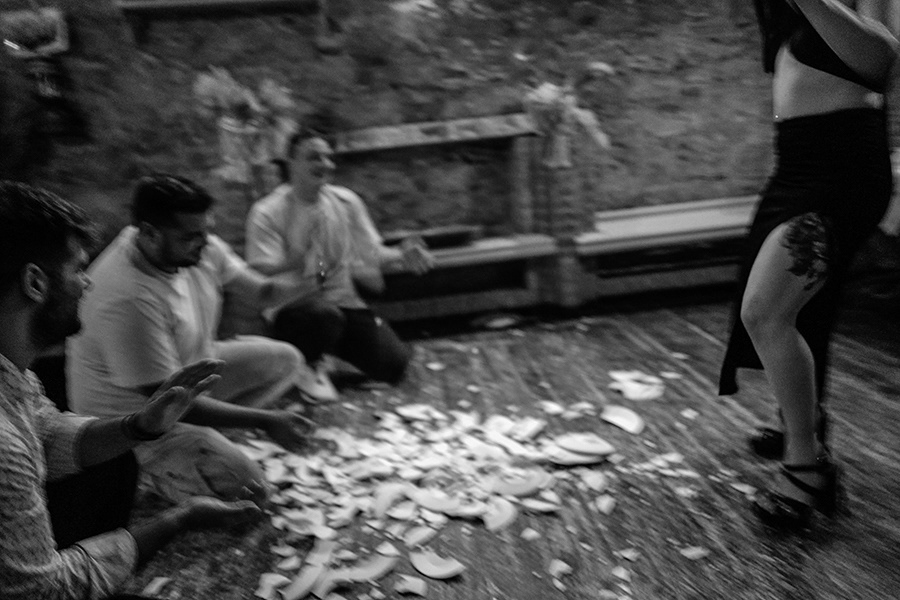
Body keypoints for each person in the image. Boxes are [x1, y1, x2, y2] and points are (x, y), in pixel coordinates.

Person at [0, 181, 260, 600]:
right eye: (77, 270)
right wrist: (178, 520)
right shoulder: (4, 448)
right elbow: (44, 589)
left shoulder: (14, 374)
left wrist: (139, 426)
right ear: (35, 283)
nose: (87, 284)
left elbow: (46, 433)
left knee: (117, 464)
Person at [720, 0, 898, 529]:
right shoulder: (782, 18)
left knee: (767, 311)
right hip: (795, 165)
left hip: (838, 174)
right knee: (790, 310)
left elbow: (882, 61)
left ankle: (808, 465)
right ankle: (801, 417)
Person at [67, 174, 315, 505]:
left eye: (205, 231)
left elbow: (263, 292)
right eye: (191, 236)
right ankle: (144, 471)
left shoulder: (194, 245)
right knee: (250, 490)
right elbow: (169, 399)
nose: (205, 242)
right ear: (150, 233)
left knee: (286, 361)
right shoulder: (127, 298)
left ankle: (206, 441)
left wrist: (320, 275)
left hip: (187, 374)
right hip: (133, 423)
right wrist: (266, 421)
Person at [245, 121, 435, 398]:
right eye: (314, 157)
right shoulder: (266, 212)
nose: (325, 164)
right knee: (323, 317)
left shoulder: (346, 202)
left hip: (343, 303)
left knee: (396, 365)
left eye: (328, 157)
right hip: (295, 307)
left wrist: (402, 255)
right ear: (291, 163)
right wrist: (298, 258)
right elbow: (259, 272)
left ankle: (334, 356)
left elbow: (372, 252)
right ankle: (307, 364)